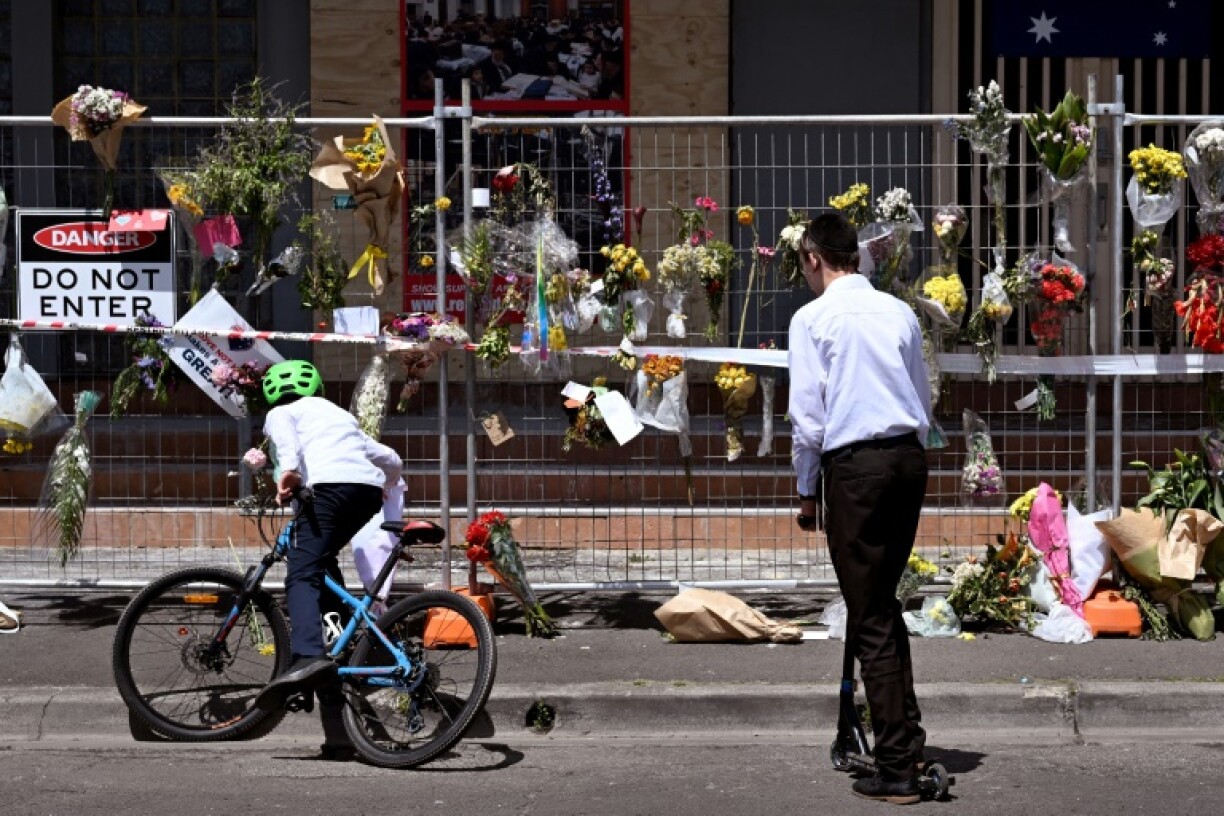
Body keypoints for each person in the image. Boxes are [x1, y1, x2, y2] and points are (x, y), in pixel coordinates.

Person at [787, 212, 931, 805]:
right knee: (882, 603)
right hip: (907, 462)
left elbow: (808, 416)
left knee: (869, 614)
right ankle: (907, 737)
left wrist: (805, 488)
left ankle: (896, 767)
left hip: (858, 470)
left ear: (816, 258)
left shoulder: (812, 318)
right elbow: (922, 395)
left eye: (802, 264)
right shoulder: (899, 311)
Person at [253, 360, 403, 713]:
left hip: (328, 490)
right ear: (317, 386)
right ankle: (342, 638)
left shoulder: (281, 413)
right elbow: (390, 458)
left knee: (301, 574)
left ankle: (307, 657)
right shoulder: (339, 415)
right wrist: (390, 485)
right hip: (365, 492)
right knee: (321, 563)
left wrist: (288, 473)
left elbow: (287, 446)